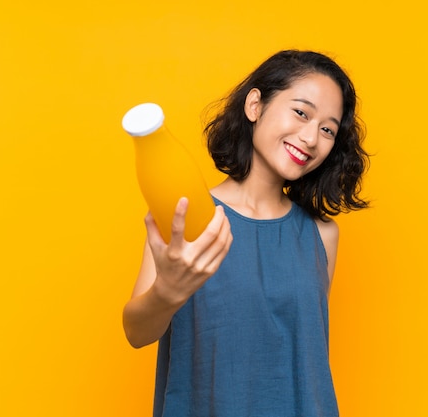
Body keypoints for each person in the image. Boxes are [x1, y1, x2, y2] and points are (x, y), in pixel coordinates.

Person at [122, 49, 369, 417]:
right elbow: (136, 334)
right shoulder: (186, 216)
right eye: (301, 113)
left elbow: (301, 356)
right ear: (255, 105)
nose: (311, 138)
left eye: (327, 129)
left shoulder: (322, 234)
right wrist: (167, 292)